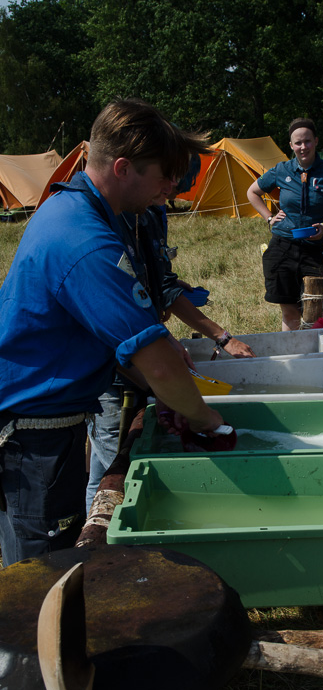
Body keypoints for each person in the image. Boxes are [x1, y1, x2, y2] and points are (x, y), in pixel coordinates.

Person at [0, 98, 226, 567]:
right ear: (123, 168)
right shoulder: (84, 239)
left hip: (42, 419)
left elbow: (136, 345)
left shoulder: (81, 211)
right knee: (43, 570)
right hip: (33, 430)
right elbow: (157, 363)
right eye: (162, 174)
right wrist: (207, 420)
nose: (169, 187)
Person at [85, 190, 256, 511]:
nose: (172, 190)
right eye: (166, 180)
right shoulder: (104, 223)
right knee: (112, 465)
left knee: (104, 461)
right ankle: (102, 543)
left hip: (137, 351)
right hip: (113, 365)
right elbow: (123, 323)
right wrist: (202, 415)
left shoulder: (147, 214)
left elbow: (155, 282)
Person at [247, 118, 323, 331]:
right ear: (291, 145)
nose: (303, 147)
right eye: (298, 143)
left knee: (317, 311)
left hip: (318, 249)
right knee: (290, 311)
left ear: (316, 141)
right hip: (283, 246)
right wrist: (269, 218)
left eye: (307, 141)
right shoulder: (281, 170)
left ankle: (315, 360)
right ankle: (292, 358)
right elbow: (252, 192)